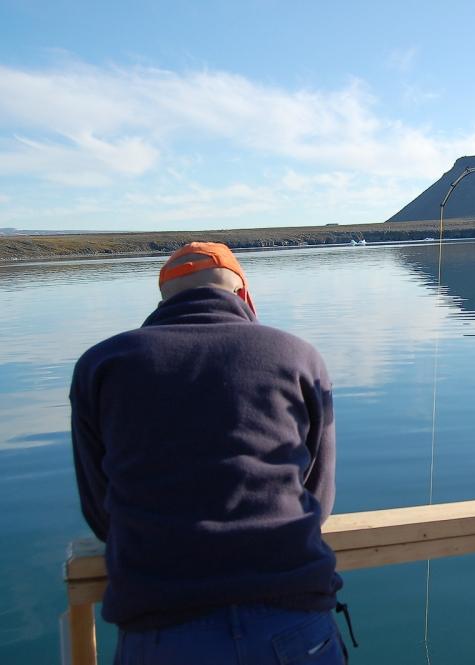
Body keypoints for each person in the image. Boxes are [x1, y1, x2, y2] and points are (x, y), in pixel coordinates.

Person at [70, 242, 348, 664]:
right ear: (243, 295)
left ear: (165, 300)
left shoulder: (102, 365)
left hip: (163, 628)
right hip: (293, 618)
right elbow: (318, 498)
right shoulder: (298, 356)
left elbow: (100, 509)